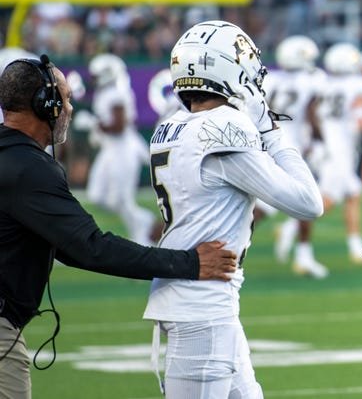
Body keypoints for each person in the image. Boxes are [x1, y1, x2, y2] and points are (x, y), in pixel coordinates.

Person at [0, 55, 238, 399]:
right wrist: (192, 263)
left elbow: (70, 249)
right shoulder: (30, 169)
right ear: (46, 104)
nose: (68, 107)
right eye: (64, 98)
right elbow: (91, 248)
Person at [142, 21, 323, 398]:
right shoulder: (225, 126)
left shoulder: (170, 125)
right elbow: (308, 202)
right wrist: (270, 130)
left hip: (202, 300)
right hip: (202, 306)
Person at [257, 34, 329, 279]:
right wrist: (320, 141)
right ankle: (303, 255)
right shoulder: (312, 80)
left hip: (268, 141)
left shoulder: (271, 79)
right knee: (303, 198)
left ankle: (303, 255)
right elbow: (311, 113)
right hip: (292, 146)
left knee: (269, 203)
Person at [84, 53, 157, 246]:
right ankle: (143, 220)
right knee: (96, 195)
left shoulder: (116, 93)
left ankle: (141, 234)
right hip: (110, 150)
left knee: (122, 199)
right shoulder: (106, 92)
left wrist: (94, 124)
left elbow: (119, 127)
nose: (94, 79)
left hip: (122, 151)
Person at [316, 42, 362, 264]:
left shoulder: (323, 83)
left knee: (329, 196)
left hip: (327, 145)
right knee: (352, 192)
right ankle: (354, 246)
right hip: (340, 147)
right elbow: (360, 112)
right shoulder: (358, 83)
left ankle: (291, 229)